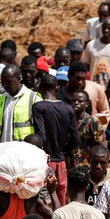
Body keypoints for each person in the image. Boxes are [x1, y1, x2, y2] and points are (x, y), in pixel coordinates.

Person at [32, 74, 78, 206]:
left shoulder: (38, 107)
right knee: (61, 199)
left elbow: (42, 136)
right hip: (62, 162)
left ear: (40, 87)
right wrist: (63, 148)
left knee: (45, 200)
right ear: (57, 87)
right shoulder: (68, 108)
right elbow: (75, 139)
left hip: (46, 161)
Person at [0, 64, 42, 144]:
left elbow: (40, 131)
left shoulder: (34, 98)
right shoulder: (1, 99)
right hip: (4, 152)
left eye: (9, 82)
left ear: (19, 78)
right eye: (3, 82)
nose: (5, 85)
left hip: (24, 152)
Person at [81, 15, 110, 87]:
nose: (106, 31)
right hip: (93, 88)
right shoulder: (91, 45)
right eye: (104, 27)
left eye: (109, 28)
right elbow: (85, 65)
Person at [69, 89, 107, 167]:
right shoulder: (67, 121)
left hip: (87, 166)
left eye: (80, 101)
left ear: (86, 104)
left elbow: (101, 145)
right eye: (74, 101)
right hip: (70, 166)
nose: (76, 103)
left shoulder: (93, 122)